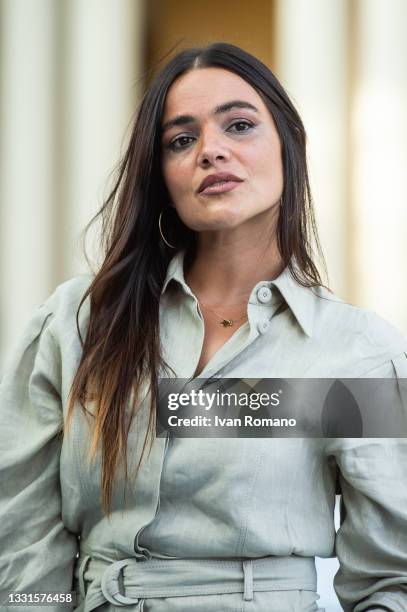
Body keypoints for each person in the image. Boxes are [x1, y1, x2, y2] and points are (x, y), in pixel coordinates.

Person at [0, 42, 406, 612]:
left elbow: (393, 582)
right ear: (159, 174)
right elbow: (20, 537)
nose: (211, 152)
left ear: (290, 147)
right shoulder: (75, 325)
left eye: (239, 125)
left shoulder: (357, 355)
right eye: (181, 140)